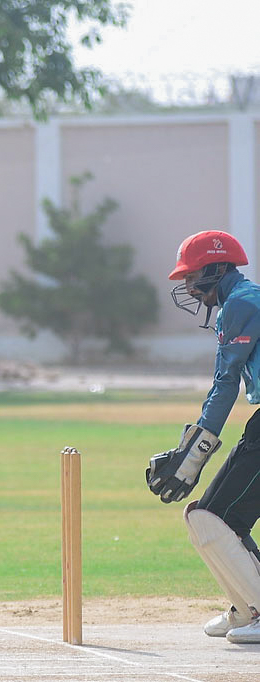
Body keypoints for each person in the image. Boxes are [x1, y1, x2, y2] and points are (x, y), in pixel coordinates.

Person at [146, 230, 260, 644]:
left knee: (213, 518)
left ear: (218, 268)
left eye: (193, 277)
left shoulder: (241, 304)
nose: (190, 287)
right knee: (209, 516)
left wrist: (192, 455)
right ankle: (247, 607)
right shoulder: (244, 300)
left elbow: (225, 384)